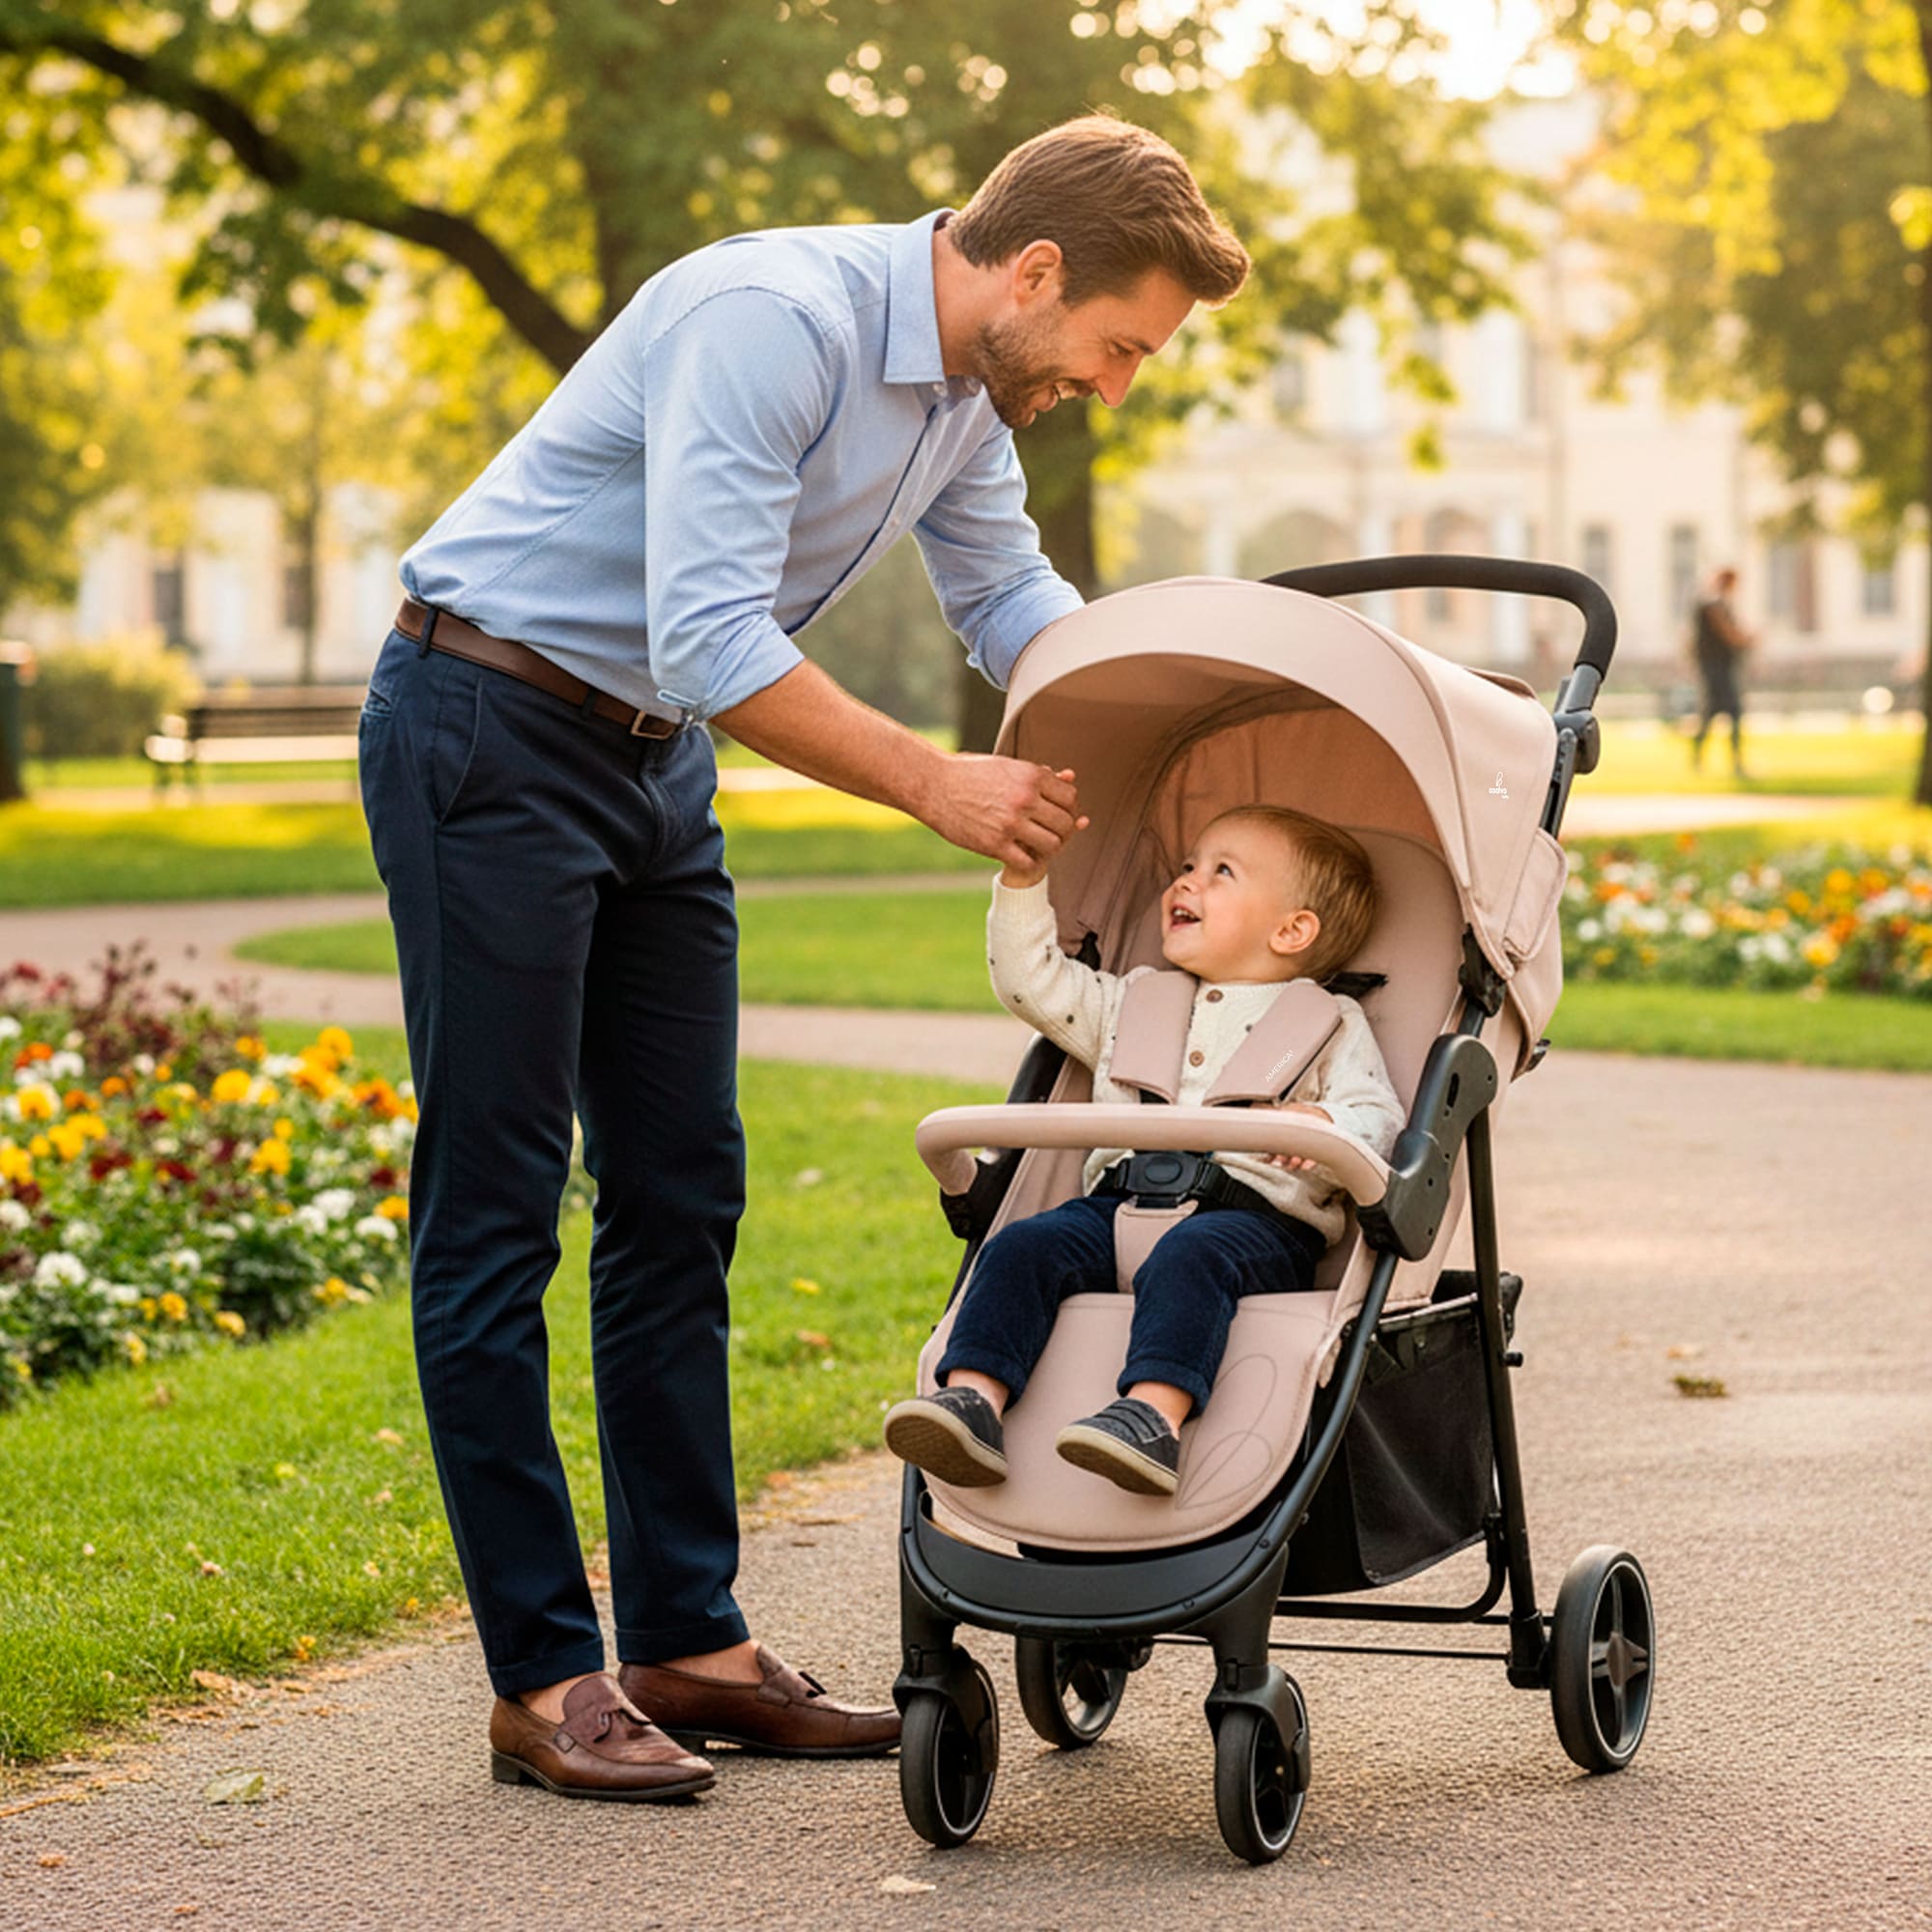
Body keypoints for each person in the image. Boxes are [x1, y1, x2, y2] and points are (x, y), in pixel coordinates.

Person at [355, 115, 1250, 1801]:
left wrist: (1179, 707)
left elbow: (1010, 604)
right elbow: (709, 628)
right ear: (1036, 271)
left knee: (684, 1184)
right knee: (493, 1202)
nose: (1115, 385)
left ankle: (686, 1638)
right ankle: (543, 1677)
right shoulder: (773, 318)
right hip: (487, 720)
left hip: (644, 757)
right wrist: (932, 777)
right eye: (1119, 345)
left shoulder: (972, 399)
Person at [882, 807, 1404, 1498]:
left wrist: (1323, 1121)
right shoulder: (1132, 1003)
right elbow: (1030, 983)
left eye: (1221, 872)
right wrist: (1023, 879)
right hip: (1114, 1204)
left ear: (1292, 929)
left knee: (1193, 1260)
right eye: (1187, 865)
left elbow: (1379, 1116)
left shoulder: (1329, 1023)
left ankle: (1153, 1419)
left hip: (1251, 1223)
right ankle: (972, 1402)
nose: (1185, 882)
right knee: (1021, 1247)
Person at [1690, 566, 1753, 779]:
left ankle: (1704, 759)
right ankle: (1729, 761)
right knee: (1726, 712)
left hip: (1721, 665)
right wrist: (1746, 640)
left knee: (1712, 714)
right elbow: (1727, 632)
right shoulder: (1712, 604)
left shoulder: (1718, 604)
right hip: (1716, 668)